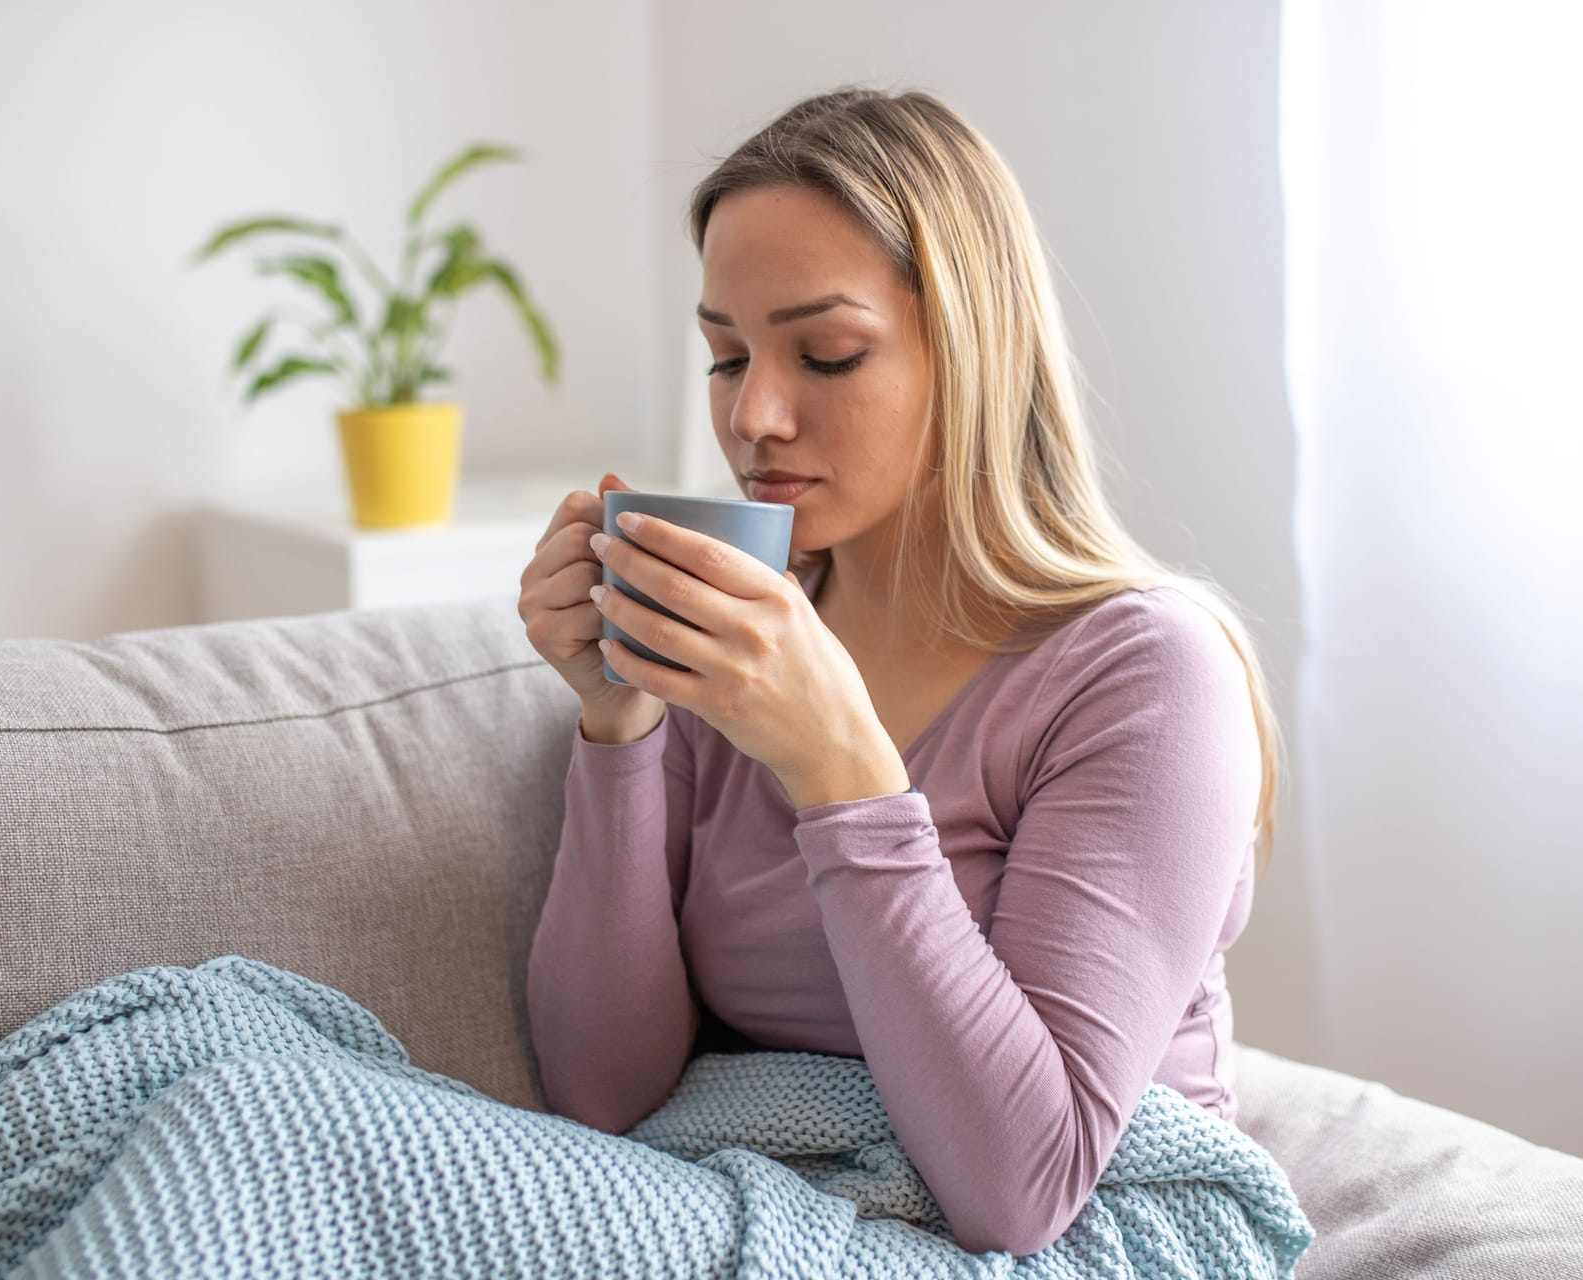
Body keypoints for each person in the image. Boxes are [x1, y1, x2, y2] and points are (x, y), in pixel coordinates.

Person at [516, 85, 1283, 1260]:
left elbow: (1019, 1186)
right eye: (726, 357)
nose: (755, 414)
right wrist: (620, 720)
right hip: (782, 1192)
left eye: (825, 354)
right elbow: (602, 1096)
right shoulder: (741, 640)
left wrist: (841, 770)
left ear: (971, 353)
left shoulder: (1145, 673)